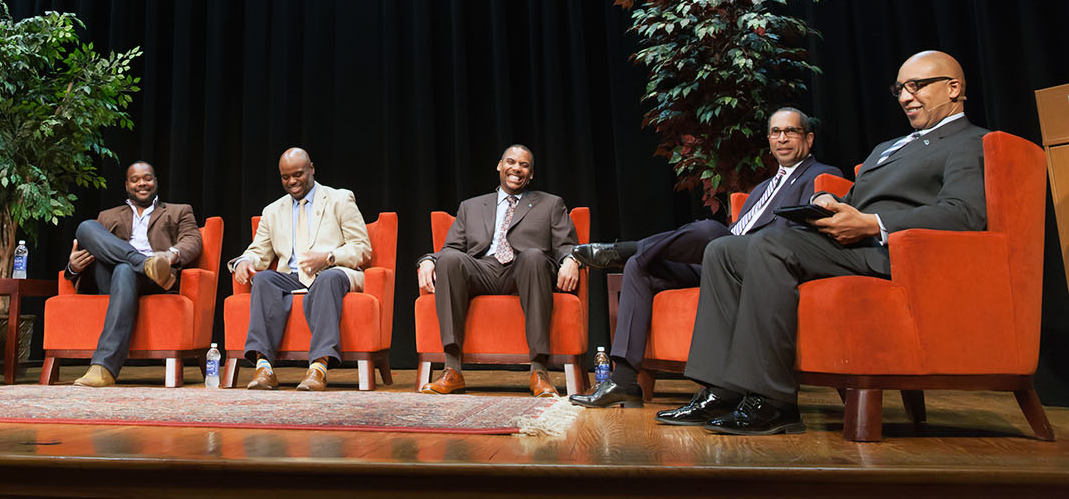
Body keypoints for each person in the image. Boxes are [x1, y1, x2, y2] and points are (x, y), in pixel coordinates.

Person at [657, 50, 987, 435]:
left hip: (889, 251)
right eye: (900, 89)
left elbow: (964, 213)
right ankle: (721, 391)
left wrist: (872, 224)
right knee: (723, 250)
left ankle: (773, 401)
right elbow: (858, 198)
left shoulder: (969, 142)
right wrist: (829, 202)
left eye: (916, 86)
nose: (905, 97)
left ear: (953, 88)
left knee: (768, 245)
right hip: (848, 243)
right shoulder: (888, 148)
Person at [568, 108, 842, 408]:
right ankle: (623, 381)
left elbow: (812, 224)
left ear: (809, 138)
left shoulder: (821, 176)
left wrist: (820, 200)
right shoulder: (762, 188)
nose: (782, 138)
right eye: (775, 132)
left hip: (761, 264)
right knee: (640, 265)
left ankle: (624, 249)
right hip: (720, 263)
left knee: (709, 230)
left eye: (791, 131)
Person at [415, 144, 580, 397]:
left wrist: (572, 259)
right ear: (500, 166)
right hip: (483, 268)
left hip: (526, 269)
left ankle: (539, 371)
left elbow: (566, 244)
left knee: (534, 256)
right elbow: (451, 248)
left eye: (524, 165)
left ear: (531, 174)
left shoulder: (550, 204)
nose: (517, 168)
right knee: (449, 259)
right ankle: (452, 369)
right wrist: (428, 260)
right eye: (511, 162)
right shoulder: (471, 206)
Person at [229, 147, 371, 391]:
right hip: (293, 276)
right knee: (262, 279)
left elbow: (362, 248)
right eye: (286, 177)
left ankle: (319, 367)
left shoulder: (339, 199)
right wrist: (244, 261)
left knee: (327, 279)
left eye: (298, 174)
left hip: (334, 271)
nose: (292, 181)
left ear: (311, 169)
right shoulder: (273, 211)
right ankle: (264, 368)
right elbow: (258, 252)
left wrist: (328, 257)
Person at [63, 160, 202, 387]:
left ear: (155, 181)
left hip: (155, 282)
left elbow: (193, 240)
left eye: (147, 178)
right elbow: (94, 250)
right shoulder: (108, 216)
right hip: (113, 280)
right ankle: (145, 263)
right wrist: (73, 268)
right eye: (135, 180)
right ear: (127, 185)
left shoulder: (179, 211)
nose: (142, 183)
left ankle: (104, 368)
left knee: (124, 268)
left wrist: (170, 256)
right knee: (86, 227)